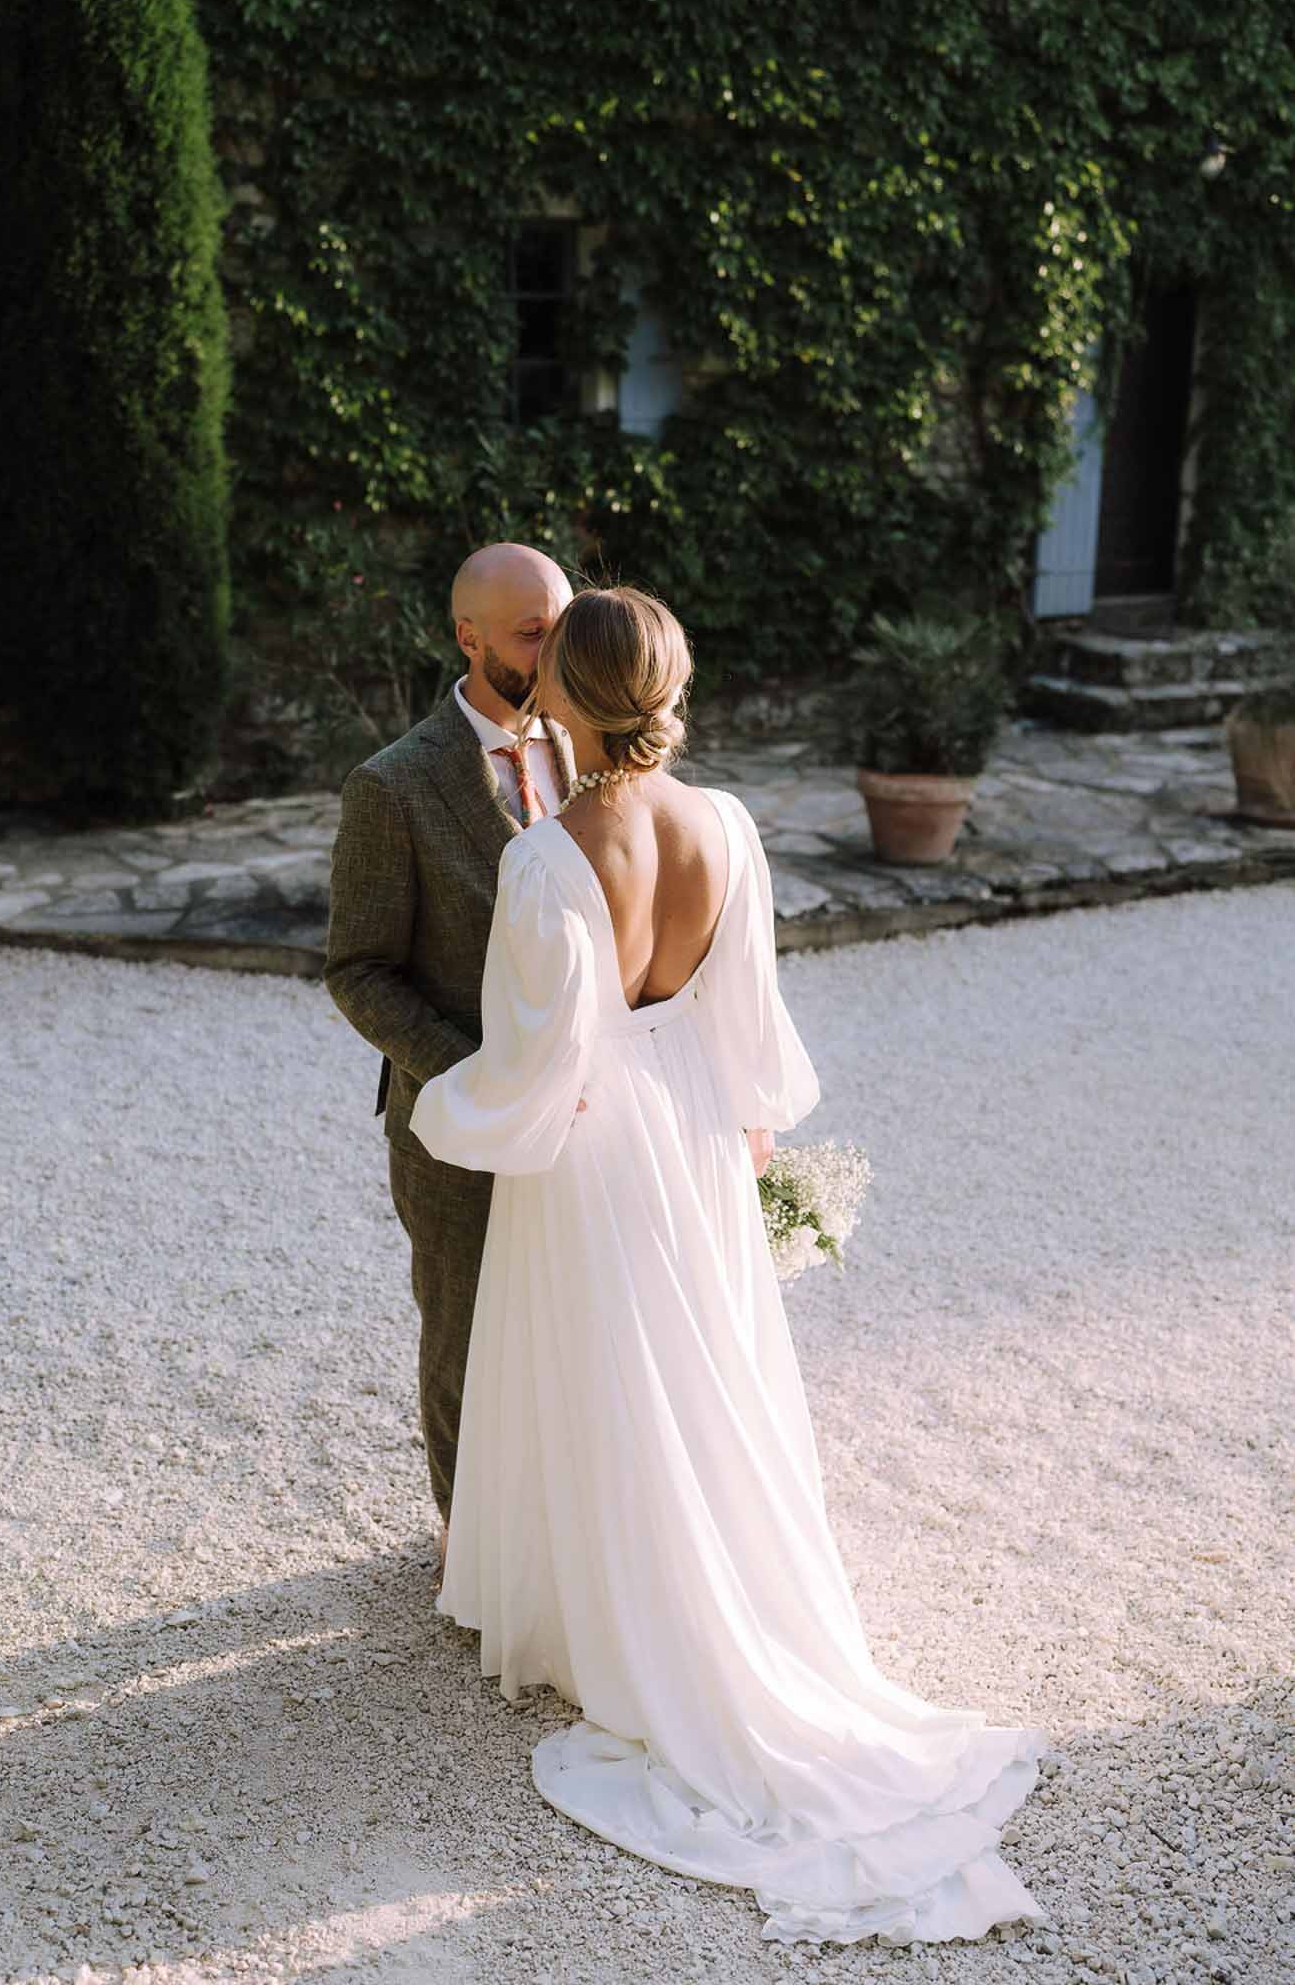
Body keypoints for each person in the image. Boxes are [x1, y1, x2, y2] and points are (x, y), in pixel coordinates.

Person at [407, 584, 1049, 1949]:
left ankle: (617, 1626)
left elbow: (532, 1071)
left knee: (603, 1372)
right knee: (696, 1369)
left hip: (592, 1149)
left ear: (559, 696)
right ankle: (707, 1599)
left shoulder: (546, 855)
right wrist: (737, 1135)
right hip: (692, 1130)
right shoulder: (731, 826)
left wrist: (440, 1109)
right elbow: (753, 1033)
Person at [325, 541, 578, 1572]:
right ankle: (474, 1560)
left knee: (570, 1324)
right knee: (467, 1338)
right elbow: (360, 971)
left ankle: (558, 1533)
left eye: (565, 622)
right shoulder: (392, 787)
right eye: (532, 632)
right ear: (466, 636)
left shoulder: (596, 746)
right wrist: (478, 1075)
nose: (558, 647)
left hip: (588, 1116)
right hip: (457, 1120)